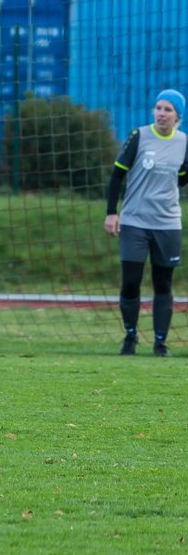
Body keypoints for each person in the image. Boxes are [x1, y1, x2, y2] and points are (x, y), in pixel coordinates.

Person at [105, 88, 188, 357]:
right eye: (158, 108)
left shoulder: (184, 142)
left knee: (163, 283)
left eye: (168, 110)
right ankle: (130, 336)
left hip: (168, 223)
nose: (161, 113)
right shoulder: (139, 136)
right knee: (131, 281)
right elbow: (117, 176)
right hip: (134, 220)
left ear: (178, 116)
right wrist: (112, 212)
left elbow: (183, 177)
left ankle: (160, 343)